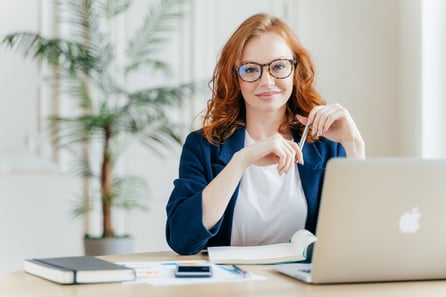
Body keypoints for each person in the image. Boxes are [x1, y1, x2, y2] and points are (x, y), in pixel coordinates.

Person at [165, 13, 365, 255]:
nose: (267, 81)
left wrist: (353, 144)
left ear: (295, 70)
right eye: (251, 69)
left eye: (279, 66)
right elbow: (181, 239)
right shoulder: (204, 146)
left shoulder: (324, 145)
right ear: (235, 78)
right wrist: (241, 161)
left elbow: (357, 238)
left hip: (300, 289)